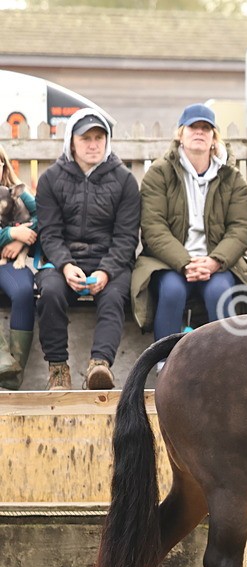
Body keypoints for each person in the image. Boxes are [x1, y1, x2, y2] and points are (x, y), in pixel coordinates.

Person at [132, 104, 247, 342]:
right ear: (180, 134)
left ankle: (221, 364)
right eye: (193, 127)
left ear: (214, 137)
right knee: (172, 291)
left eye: (206, 128)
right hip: (168, 261)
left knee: (219, 292)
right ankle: (164, 362)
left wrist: (214, 261)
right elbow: (153, 227)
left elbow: (241, 228)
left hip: (219, 262)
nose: (199, 132)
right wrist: (185, 262)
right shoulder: (159, 174)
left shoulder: (232, 178)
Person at [35, 108, 140, 390]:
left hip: (110, 262)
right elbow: (49, 232)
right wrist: (66, 265)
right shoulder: (51, 179)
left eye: (99, 137)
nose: (93, 144)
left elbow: (126, 237)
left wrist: (106, 271)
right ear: (71, 142)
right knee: (51, 292)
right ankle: (58, 369)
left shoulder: (125, 181)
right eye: (86, 138)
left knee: (114, 296)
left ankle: (99, 366)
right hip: (63, 262)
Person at [0, 143, 37, 390]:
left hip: (9, 263)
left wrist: (23, 235)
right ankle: (2, 357)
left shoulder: (18, 193)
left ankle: (14, 371)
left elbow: (44, 217)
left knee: (24, 291)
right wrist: (10, 233)